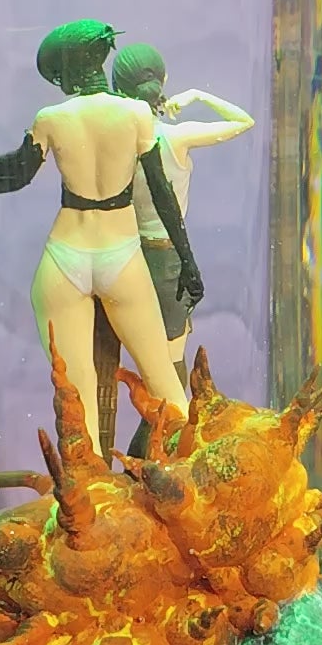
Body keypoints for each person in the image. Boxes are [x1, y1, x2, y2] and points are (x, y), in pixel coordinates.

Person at [0, 21, 201, 459]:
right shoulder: (135, 114)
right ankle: (193, 470)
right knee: (166, 383)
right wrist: (187, 260)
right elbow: (161, 193)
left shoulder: (52, 119)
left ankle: (90, 486)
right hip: (121, 254)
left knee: (79, 398)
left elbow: (10, 177)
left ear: (68, 71)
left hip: (66, 255)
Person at [107, 43, 254, 410]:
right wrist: (198, 95)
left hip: (124, 256)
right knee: (171, 366)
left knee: (137, 364)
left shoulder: (117, 141)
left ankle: (150, 441)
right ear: (163, 81)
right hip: (166, 259)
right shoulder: (175, 137)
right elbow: (243, 121)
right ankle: (164, 439)